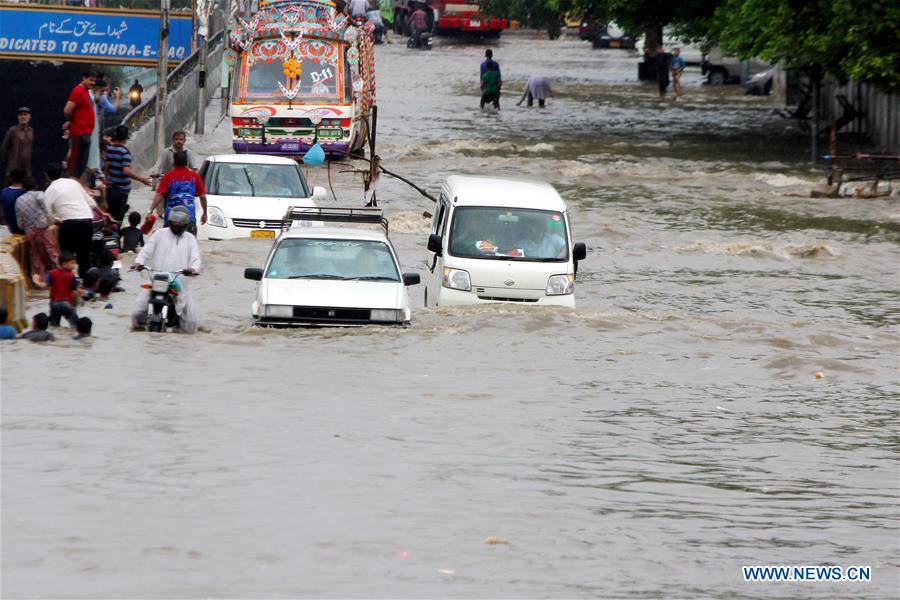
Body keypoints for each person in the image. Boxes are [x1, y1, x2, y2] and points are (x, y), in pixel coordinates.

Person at [131, 206, 202, 333]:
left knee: (191, 324)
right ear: (170, 221)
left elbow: (196, 259)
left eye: (181, 222)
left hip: (179, 286)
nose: (178, 224)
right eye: (175, 221)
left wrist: (192, 269)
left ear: (186, 224)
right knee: (137, 313)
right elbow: (145, 252)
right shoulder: (159, 234)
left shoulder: (190, 239)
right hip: (156, 281)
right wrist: (138, 263)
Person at [45, 162, 112, 277]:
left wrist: (56, 221)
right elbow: (89, 201)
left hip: (69, 223)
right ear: (61, 173)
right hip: (86, 221)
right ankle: (85, 282)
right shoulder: (73, 183)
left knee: (66, 254)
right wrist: (102, 213)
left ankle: (67, 280)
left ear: (47, 176)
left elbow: (47, 213)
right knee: (84, 254)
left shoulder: (50, 189)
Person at [148, 150, 208, 234]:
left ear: (174, 162)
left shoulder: (167, 176)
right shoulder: (195, 177)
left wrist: (150, 211)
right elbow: (202, 196)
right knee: (189, 245)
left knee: (169, 245)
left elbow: (159, 195)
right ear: (187, 162)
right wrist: (205, 213)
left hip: (171, 219)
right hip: (189, 218)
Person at [15, 176, 59, 283]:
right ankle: (58, 276)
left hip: (29, 231)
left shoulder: (19, 200)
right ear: (34, 185)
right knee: (50, 252)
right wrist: (52, 221)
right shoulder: (39, 194)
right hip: (42, 228)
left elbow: (20, 222)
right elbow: (47, 210)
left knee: (36, 256)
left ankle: (41, 280)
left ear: (23, 187)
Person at [105, 125, 151, 223]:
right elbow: (126, 170)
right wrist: (141, 179)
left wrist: (106, 181)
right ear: (126, 138)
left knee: (109, 214)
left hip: (110, 187)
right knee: (118, 218)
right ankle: (115, 235)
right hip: (121, 190)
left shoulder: (109, 149)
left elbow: (106, 167)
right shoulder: (125, 152)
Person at [63, 69, 98, 177]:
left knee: (82, 163)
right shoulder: (77, 90)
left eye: (94, 81)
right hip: (78, 132)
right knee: (75, 163)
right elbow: (67, 110)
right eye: (90, 80)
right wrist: (72, 121)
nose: (92, 83)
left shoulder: (87, 92)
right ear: (84, 78)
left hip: (86, 133)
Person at [35, 251, 82, 327]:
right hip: (66, 304)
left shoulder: (52, 273)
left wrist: (36, 281)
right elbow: (77, 292)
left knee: (54, 326)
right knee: (76, 327)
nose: (74, 265)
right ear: (64, 264)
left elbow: (44, 285)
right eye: (72, 263)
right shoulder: (71, 276)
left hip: (54, 304)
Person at [87, 77, 121, 172]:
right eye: (104, 90)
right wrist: (118, 96)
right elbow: (113, 109)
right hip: (94, 129)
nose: (105, 91)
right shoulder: (101, 97)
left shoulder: (88, 94)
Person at [1, 107, 34, 177]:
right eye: (21, 115)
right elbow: (3, 148)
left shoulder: (31, 131)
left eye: (25, 114)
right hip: (14, 167)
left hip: (26, 167)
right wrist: (9, 163)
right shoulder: (12, 131)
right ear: (18, 117)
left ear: (29, 116)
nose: (23, 117)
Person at [1, 168, 26, 234]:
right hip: (25, 227)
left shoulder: (4, 191)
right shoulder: (24, 192)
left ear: (10, 178)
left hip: (11, 226)